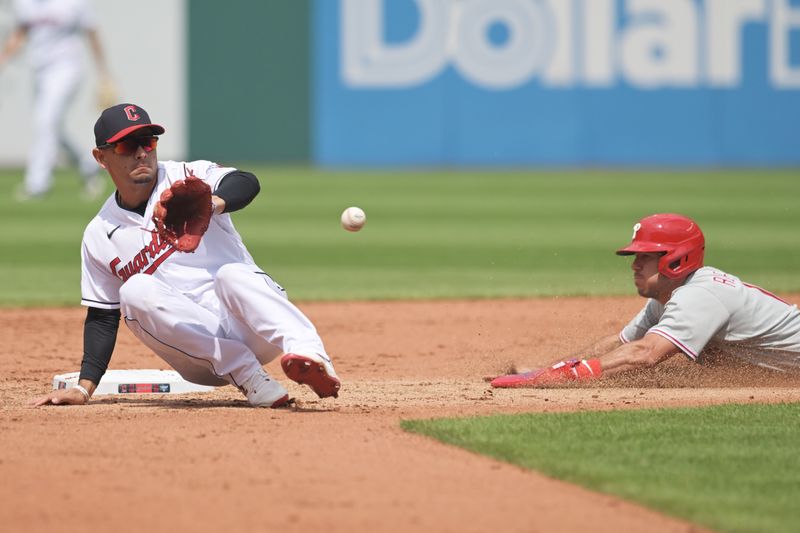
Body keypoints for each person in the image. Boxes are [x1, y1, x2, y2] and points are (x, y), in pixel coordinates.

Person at [33, 103, 341, 407]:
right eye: (127, 145)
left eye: (148, 141)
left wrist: (213, 203)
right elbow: (102, 317)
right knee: (134, 290)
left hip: (252, 323)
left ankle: (311, 354)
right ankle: (251, 379)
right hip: (200, 356)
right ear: (101, 157)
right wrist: (84, 388)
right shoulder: (100, 233)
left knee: (231, 274)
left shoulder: (186, 175)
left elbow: (246, 182)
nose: (141, 152)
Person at [492, 213, 800, 388]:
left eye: (645, 256)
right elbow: (620, 343)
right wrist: (550, 369)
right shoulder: (669, 296)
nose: (634, 264)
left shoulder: (699, 295)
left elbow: (645, 353)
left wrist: (562, 378)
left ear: (677, 260)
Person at [0, 0, 112, 200]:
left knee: (45, 122)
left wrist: (103, 73)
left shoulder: (74, 3)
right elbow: (20, 33)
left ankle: (37, 184)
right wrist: (4, 59)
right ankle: (88, 164)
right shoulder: (25, 4)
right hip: (39, 72)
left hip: (67, 68)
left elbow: (92, 34)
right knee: (50, 128)